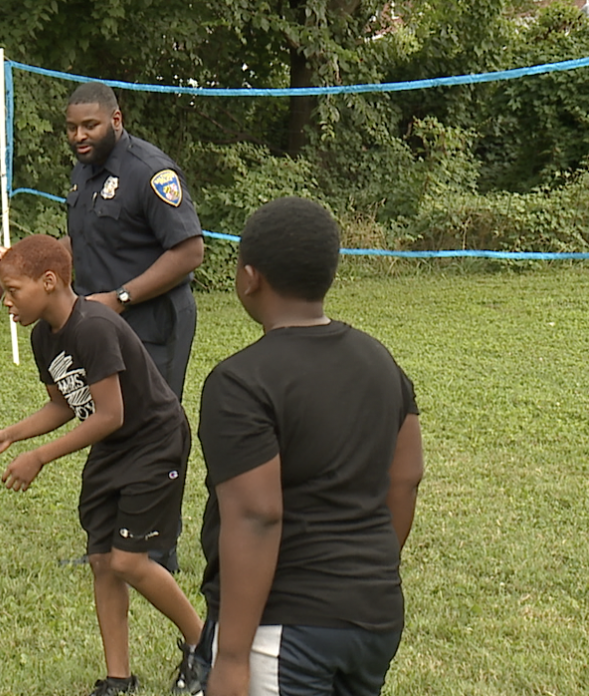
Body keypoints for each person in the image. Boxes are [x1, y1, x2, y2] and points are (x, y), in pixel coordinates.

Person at [194, 198, 425, 696]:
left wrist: (231, 659)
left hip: (284, 629)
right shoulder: (380, 362)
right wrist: (363, 573)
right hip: (375, 615)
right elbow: (406, 479)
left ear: (249, 278)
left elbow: (257, 515)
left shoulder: (240, 382)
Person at [0, 234, 205, 696]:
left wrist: (39, 457)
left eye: (13, 290)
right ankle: (119, 679)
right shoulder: (43, 336)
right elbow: (63, 404)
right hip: (113, 446)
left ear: (49, 282)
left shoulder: (93, 326)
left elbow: (111, 413)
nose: (6, 301)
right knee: (101, 561)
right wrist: (11, 435)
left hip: (153, 442)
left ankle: (204, 645)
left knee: (129, 561)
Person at [63, 81, 205, 573]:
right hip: (103, 324)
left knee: (153, 429)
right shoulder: (83, 173)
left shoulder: (150, 172)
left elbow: (189, 251)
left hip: (153, 319)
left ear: (116, 121)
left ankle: (156, 551)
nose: (79, 136)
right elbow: (84, 240)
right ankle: (106, 545)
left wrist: (121, 297)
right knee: (108, 421)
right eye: (72, 128)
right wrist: (31, 259)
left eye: (90, 126)